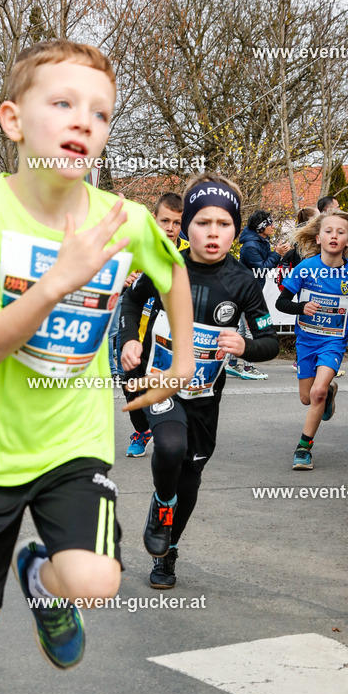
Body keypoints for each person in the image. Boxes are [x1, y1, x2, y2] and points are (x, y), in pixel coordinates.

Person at [0, 39, 194, 694]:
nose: (83, 122)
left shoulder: (122, 218)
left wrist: (185, 356)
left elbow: (173, 274)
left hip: (71, 438)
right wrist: (55, 284)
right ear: (14, 120)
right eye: (63, 104)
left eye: (99, 113)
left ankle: (41, 578)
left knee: (95, 580)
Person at [121, 173, 279, 588]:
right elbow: (131, 299)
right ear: (186, 226)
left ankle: (168, 552)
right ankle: (161, 503)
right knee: (170, 447)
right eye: (202, 223)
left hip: (205, 397)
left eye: (223, 224)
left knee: (190, 474)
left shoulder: (242, 281)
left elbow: (269, 341)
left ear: (235, 228)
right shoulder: (164, 264)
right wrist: (128, 341)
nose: (213, 233)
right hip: (161, 382)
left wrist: (245, 347)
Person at [276, 210, 348, 470]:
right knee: (307, 398)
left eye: (341, 232)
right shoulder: (306, 268)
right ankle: (329, 393)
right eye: (329, 231)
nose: (334, 236)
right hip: (306, 341)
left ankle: (304, 449)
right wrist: (301, 307)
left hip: (333, 342)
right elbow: (281, 303)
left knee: (316, 393)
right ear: (318, 238)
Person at [123, 191, 183, 458]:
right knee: (131, 386)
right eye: (165, 221)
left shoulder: (189, 252)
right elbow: (116, 282)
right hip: (139, 331)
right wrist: (121, 279)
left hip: (175, 338)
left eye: (177, 223)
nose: (170, 228)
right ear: (154, 219)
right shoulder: (136, 246)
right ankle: (142, 430)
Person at [228, 209, 284, 380]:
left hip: (249, 290)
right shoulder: (251, 246)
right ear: (261, 227)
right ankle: (248, 367)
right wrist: (277, 254)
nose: (273, 226)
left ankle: (231, 364)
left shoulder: (260, 241)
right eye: (270, 223)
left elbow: (267, 264)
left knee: (244, 329)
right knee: (251, 328)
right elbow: (262, 269)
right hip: (246, 292)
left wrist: (278, 253)